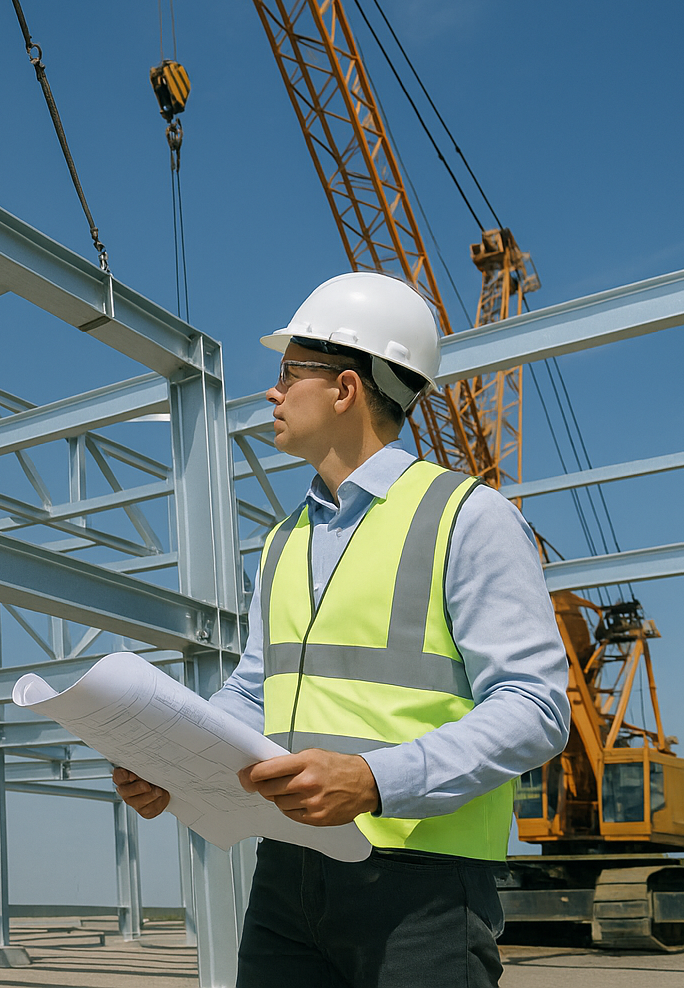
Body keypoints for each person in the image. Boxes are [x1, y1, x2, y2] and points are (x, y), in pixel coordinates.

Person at [113, 271, 570, 987]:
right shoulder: (283, 539)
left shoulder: (468, 517)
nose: (272, 391)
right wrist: (170, 760)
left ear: (345, 389)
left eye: (289, 372)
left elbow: (535, 708)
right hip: (288, 873)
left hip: (422, 884)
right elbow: (257, 687)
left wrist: (372, 779)